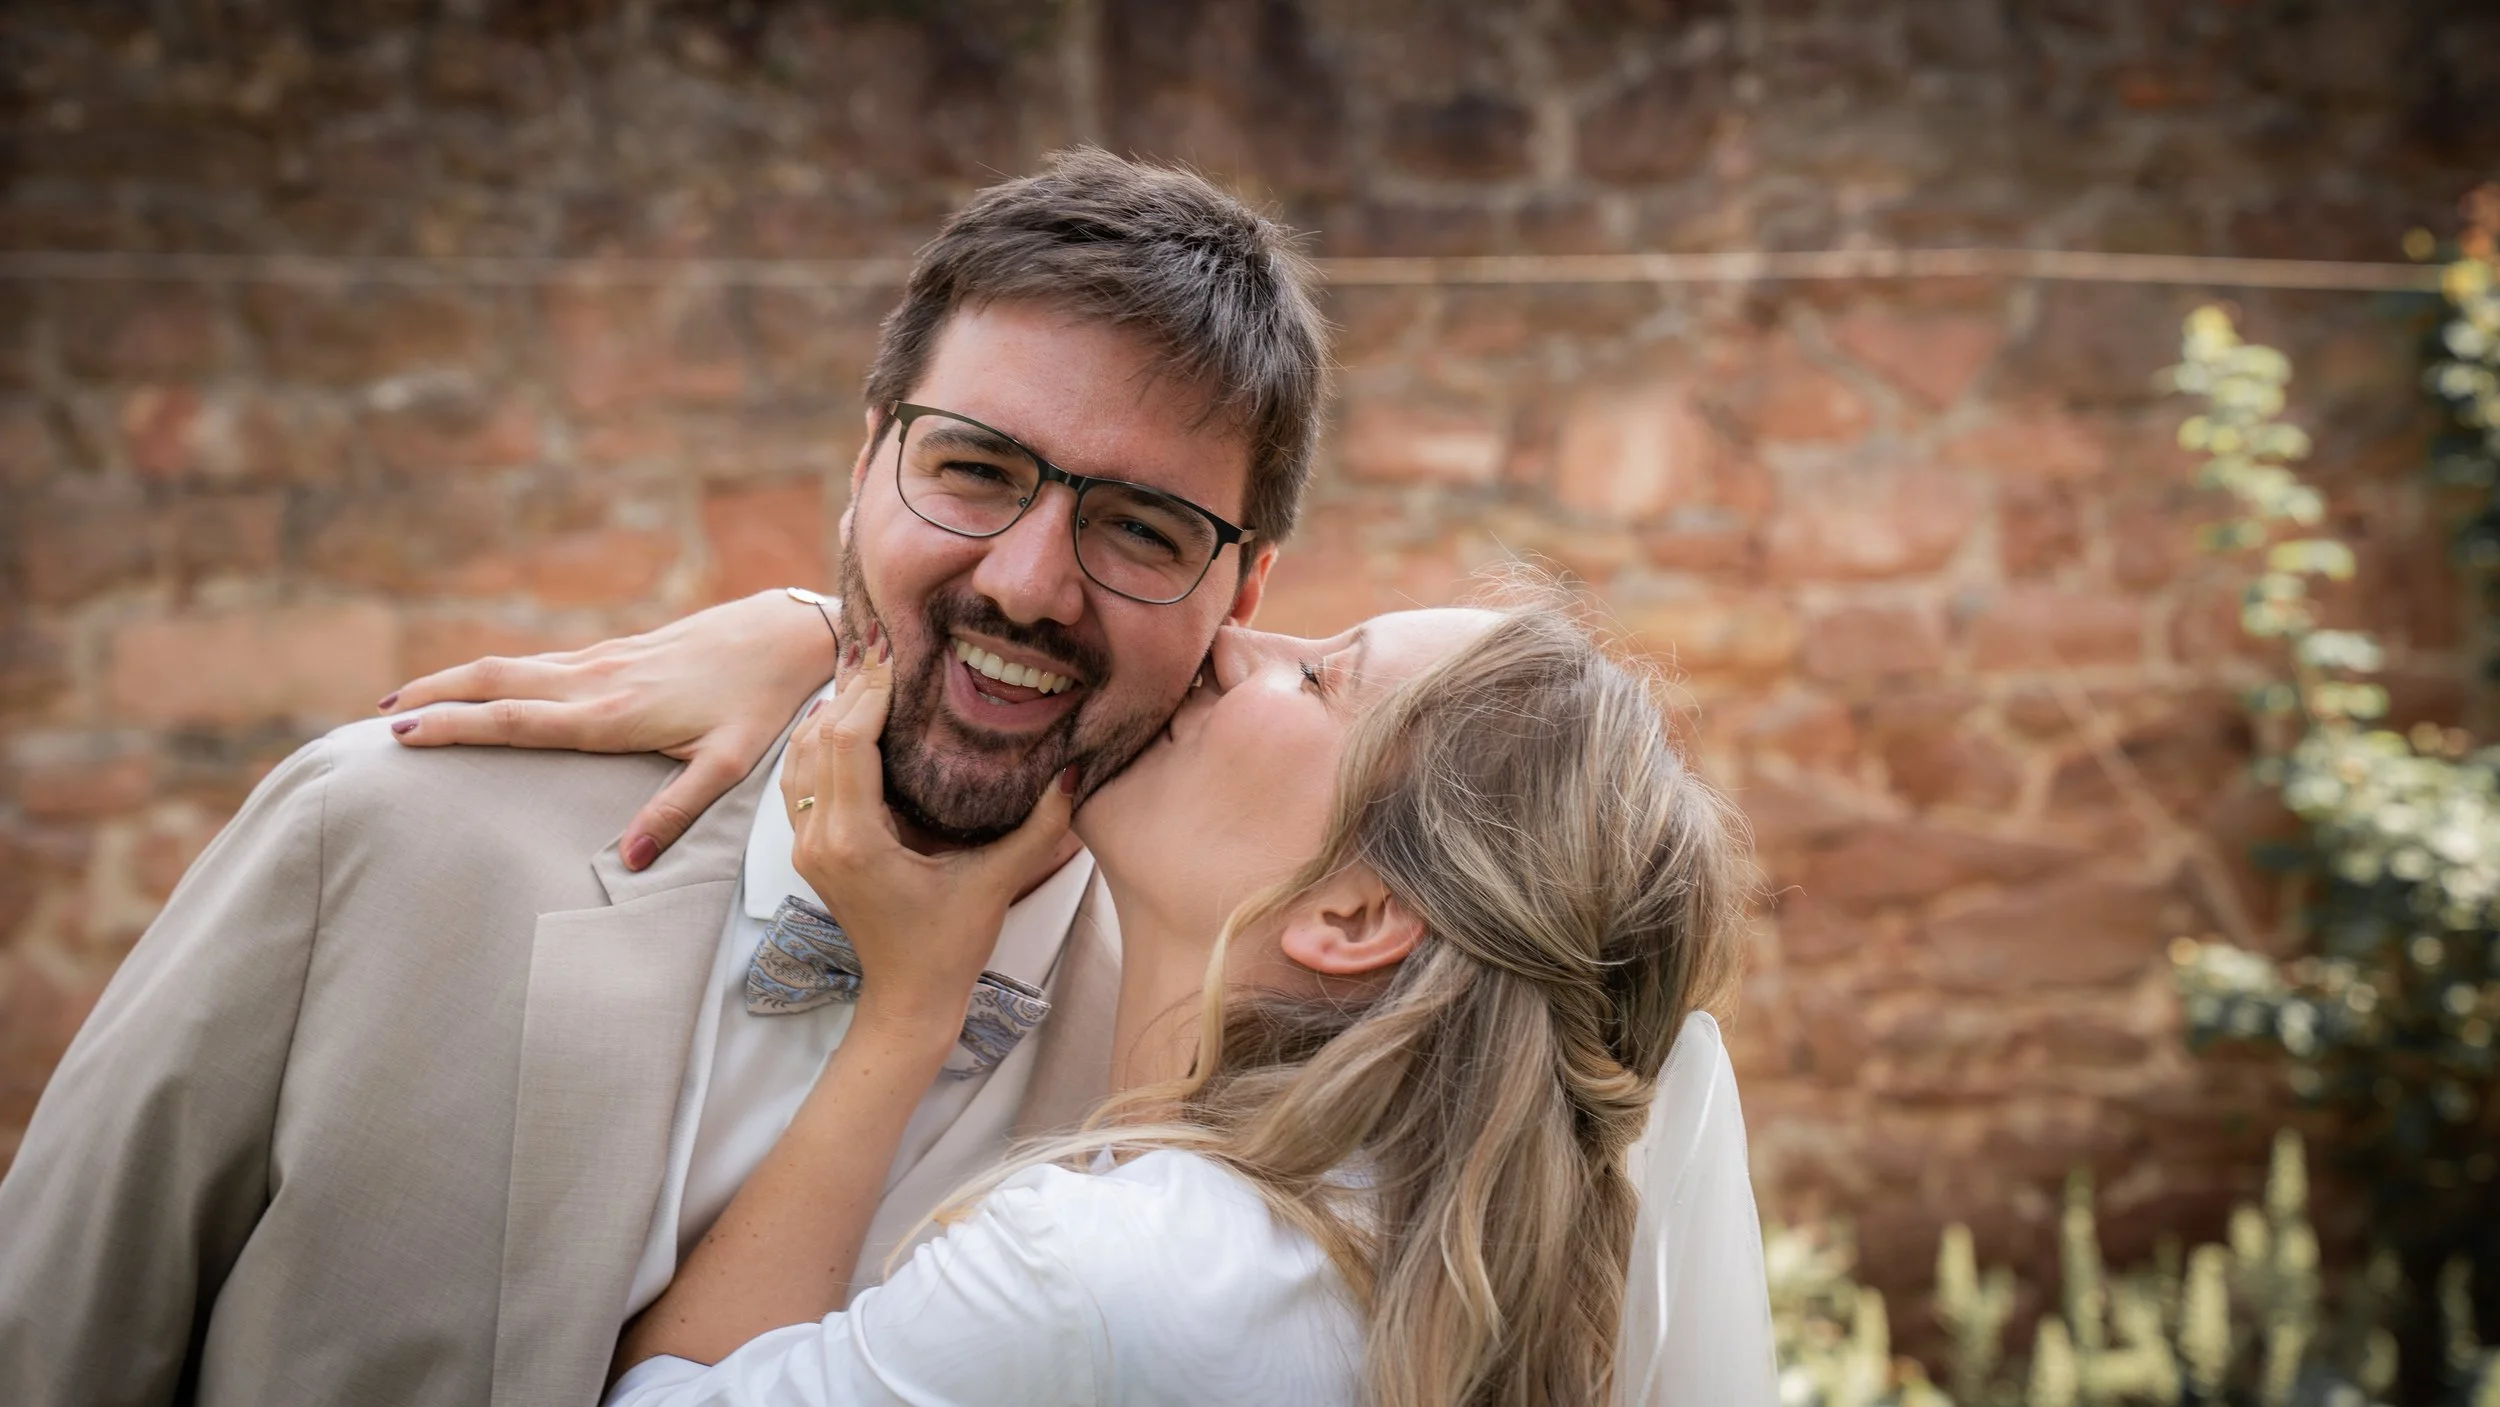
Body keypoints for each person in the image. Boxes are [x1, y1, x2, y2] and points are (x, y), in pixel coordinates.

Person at [0, 150, 1327, 1407]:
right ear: (866, 466)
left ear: (1244, 591)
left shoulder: (1199, 1113)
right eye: (973, 470)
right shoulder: (379, 835)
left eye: (1140, 529)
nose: (1026, 582)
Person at [600, 593, 1773, 1406]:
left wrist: (908, 1013)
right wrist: (820, 627)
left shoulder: (1097, 1282)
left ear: (1356, 915)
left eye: (1318, 679)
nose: (1231, 647)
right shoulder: (1463, 1299)